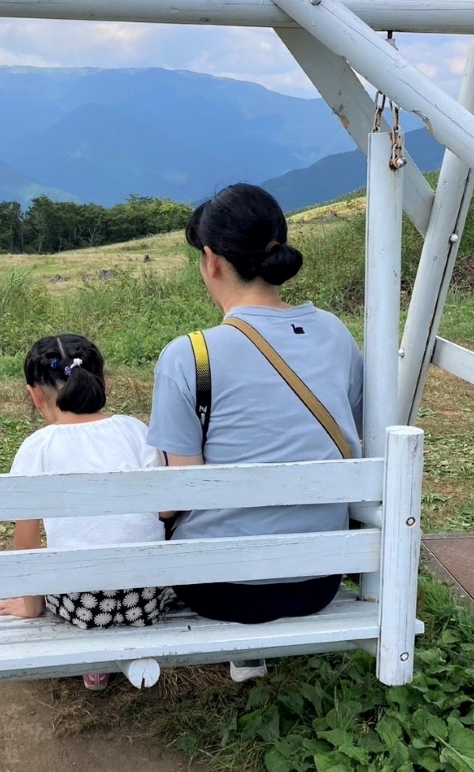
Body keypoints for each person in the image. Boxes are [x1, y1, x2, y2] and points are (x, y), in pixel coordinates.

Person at [147, 183, 363, 632]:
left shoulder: (191, 355)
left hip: (218, 587)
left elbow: (172, 502)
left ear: (211, 260)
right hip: (318, 580)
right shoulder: (335, 334)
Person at [0, 333, 174, 691]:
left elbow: (27, 539)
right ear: (102, 382)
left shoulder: (38, 447)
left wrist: (32, 607)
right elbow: (166, 511)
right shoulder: (135, 430)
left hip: (81, 607)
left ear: (34, 395)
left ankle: (97, 660)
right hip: (146, 601)